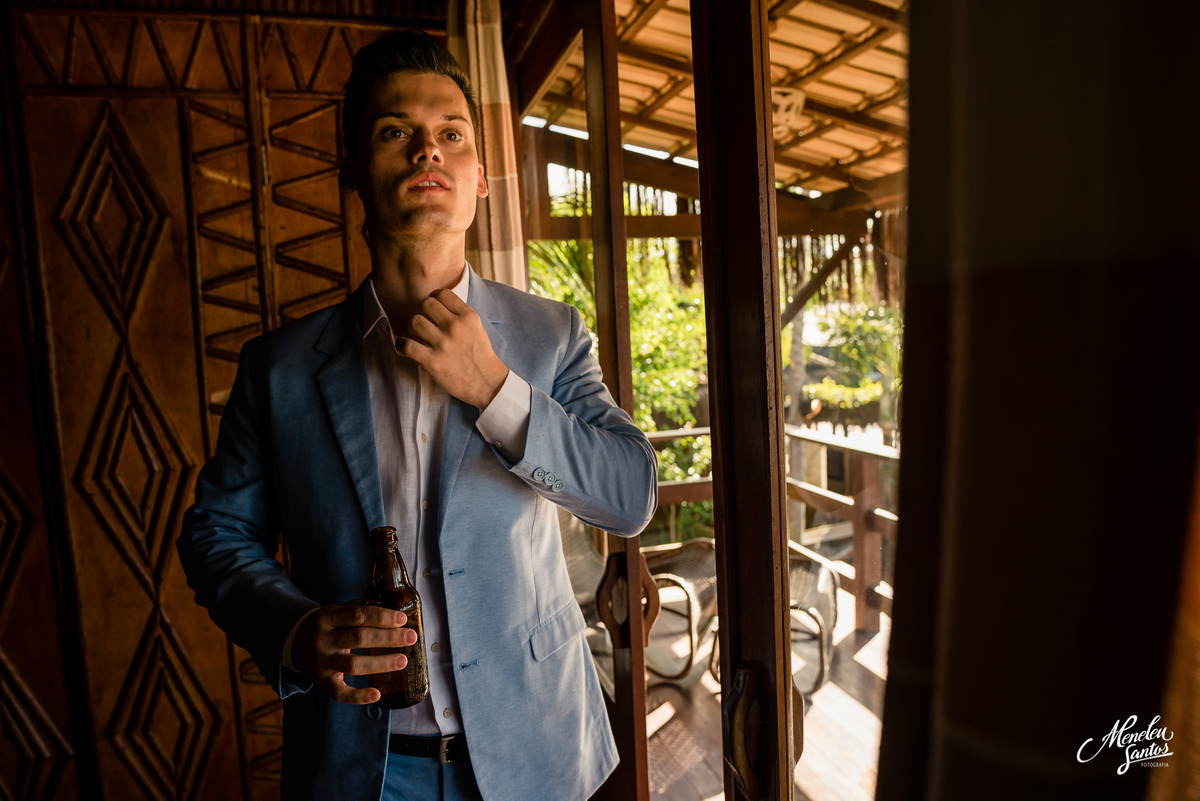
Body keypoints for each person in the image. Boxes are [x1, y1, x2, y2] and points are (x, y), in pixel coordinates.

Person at [177, 30, 657, 801]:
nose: (427, 151)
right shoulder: (279, 368)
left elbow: (629, 495)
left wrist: (498, 389)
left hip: (540, 751)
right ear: (354, 172)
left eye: (452, 135)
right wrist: (298, 632)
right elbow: (213, 534)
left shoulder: (551, 335)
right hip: (359, 771)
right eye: (396, 131)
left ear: (481, 178)